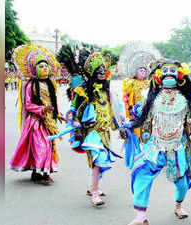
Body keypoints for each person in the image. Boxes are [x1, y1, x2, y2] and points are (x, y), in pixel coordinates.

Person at [120, 60, 191, 225]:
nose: (168, 75)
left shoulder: (189, 100)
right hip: (154, 146)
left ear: (180, 78)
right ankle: (140, 216)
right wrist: (127, 126)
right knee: (142, 174)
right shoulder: (150, 98)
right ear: (159, 78)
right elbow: (137, 117)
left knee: (182, 184)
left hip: (178, 148)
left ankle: (178, 205)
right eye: (165, 72)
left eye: (172, 72)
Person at [66, 50, 120, 206]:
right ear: (93, 73)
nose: (102, 73)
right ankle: (95, 194)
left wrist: (120, 126)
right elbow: (74, 110)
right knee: (98, 162)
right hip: (92, 133)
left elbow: (113, 111)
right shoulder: (83, 91)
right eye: (99, 71)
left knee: (100, 163)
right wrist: (75, 122)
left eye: (104, 70)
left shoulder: (107, 92)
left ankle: (92, 187)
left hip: (105, 133)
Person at [10, 44, 64, 185]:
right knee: (41, 146)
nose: (45, 68)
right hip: (35, 122)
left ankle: (39, 172)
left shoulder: (51, 85)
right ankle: (42, 173)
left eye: (46, 66)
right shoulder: (31, 85)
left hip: (49, 122)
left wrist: (58, 115)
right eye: (41, 66)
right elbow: (28, 104)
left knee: (48, 147)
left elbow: (53, 104)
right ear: (35, 70)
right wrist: (41, 109)